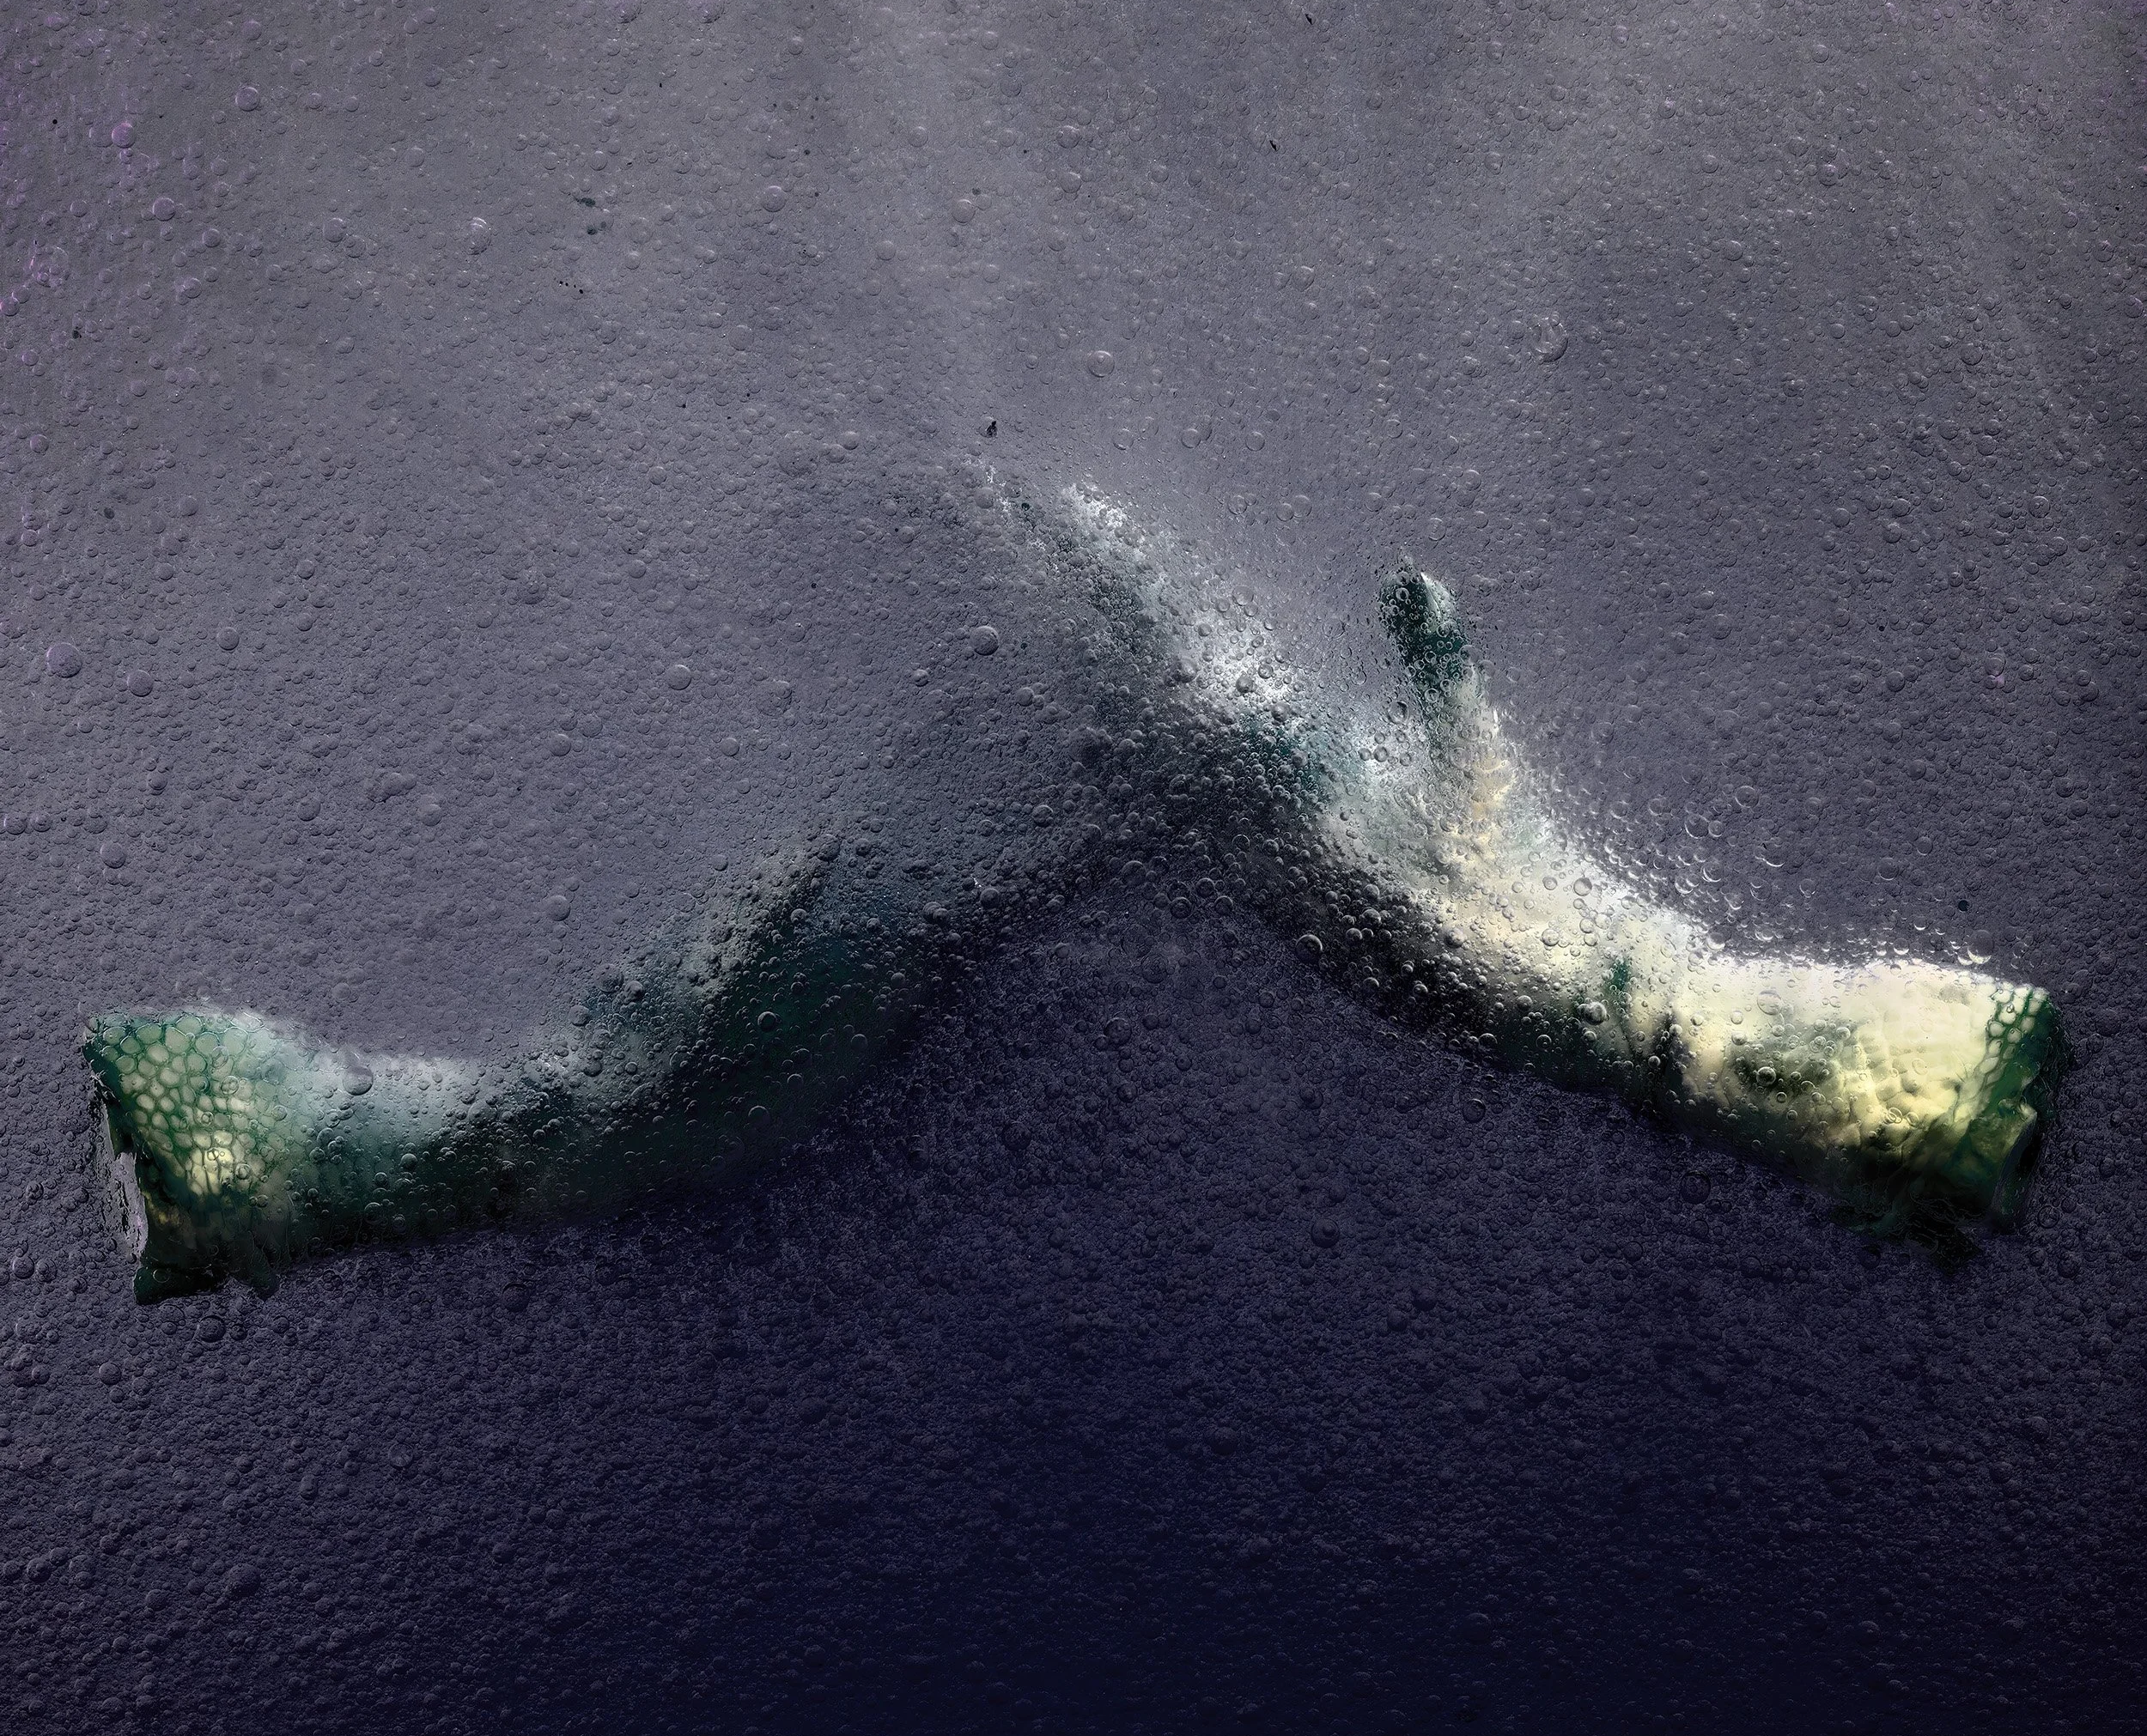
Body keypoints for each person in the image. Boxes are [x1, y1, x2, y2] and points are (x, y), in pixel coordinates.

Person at [85, 483, 2062, 1301]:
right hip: (1240, 819)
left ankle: (293, 1169)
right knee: (806, 948)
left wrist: (1414, 709)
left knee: (733, 1010)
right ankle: (297, 1165)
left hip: (1246, 821)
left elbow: (1464, 857)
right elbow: (1464, 835)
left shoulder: (1580, 969)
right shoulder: (1588, 962)